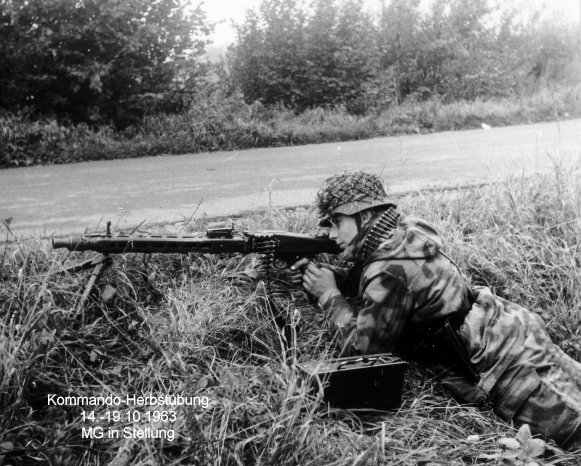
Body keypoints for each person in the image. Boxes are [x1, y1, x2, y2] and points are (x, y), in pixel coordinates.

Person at [290, 171, 581, 450]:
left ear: (364, 216)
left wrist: (329, 296)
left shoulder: (389, 271)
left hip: (507, 371)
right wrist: (335, 278)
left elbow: (361, 351)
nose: (329, 233)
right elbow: (389, 282)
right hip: (513, 333)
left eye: (336, 222)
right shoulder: (404, 233)